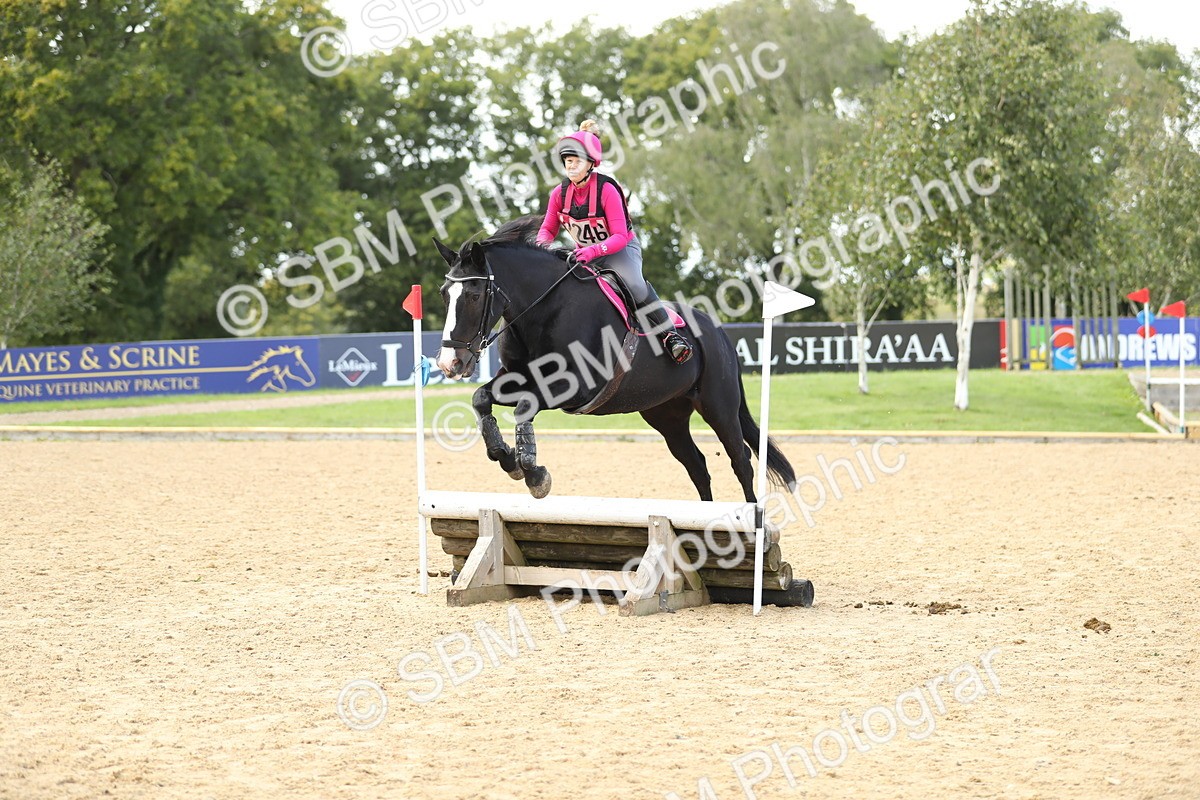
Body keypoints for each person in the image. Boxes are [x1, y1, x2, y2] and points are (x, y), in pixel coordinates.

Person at [536, 120, 692, 364]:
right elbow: (547, 229)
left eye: (576, 160)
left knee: (635, 285)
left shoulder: (607, 189)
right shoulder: (559, 194)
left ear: (591, 163)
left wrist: (592, 251)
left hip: (619, 250)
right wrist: (542, 248)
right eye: (568, 161)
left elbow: (619, 235)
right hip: (585, 254)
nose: (571, 165)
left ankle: (670, 336)